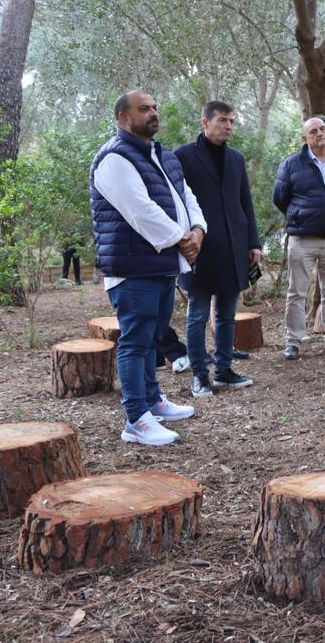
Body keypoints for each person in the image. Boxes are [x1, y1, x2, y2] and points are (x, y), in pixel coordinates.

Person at [89, 90, 203, 446]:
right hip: (132, 266)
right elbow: (139, 210)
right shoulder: (114, 158)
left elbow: (188, 197)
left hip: (161, 262)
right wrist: (181, 238)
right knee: (136, 342)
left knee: (152, 337)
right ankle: (135, 419)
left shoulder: (161, 155)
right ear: (124, 118)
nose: (153, 113)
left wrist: (198, 230)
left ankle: (153, 402)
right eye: (144, 109)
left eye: (155, 107)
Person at [174, 100, 261, 397]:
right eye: (223, 120)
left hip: (234, 248)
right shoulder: (183, 156)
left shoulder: (236, 159)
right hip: (200, 249)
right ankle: (200, 374)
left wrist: (253, 242)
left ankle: (224, 369)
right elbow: (174, 203)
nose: (228, 126)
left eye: (231, 121)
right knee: (197, 315)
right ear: (205, 123)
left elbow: (245, 203)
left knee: (227, 314)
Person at [273, 115, 325, 360]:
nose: (319, 134)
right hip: (302, 238)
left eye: (322, 129)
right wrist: (301, 215)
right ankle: (293, 341)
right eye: (313, 131)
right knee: (297, 292)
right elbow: (280, 198)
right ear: (305, 138)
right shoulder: (291, 164)